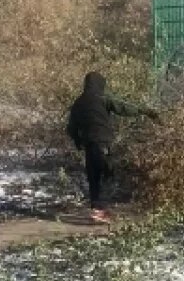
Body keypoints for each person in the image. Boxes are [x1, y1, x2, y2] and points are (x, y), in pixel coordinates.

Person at [65, 71, 157, 221]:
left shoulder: (78, 103)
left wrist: (77, 141)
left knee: (93, 176)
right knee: (107, 173)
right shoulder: (102, 98)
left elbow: (71, 128)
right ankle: (101, 210)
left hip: (89, 144)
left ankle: (96, 209)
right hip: (103, 142)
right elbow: (123, 108)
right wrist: (143, 110)